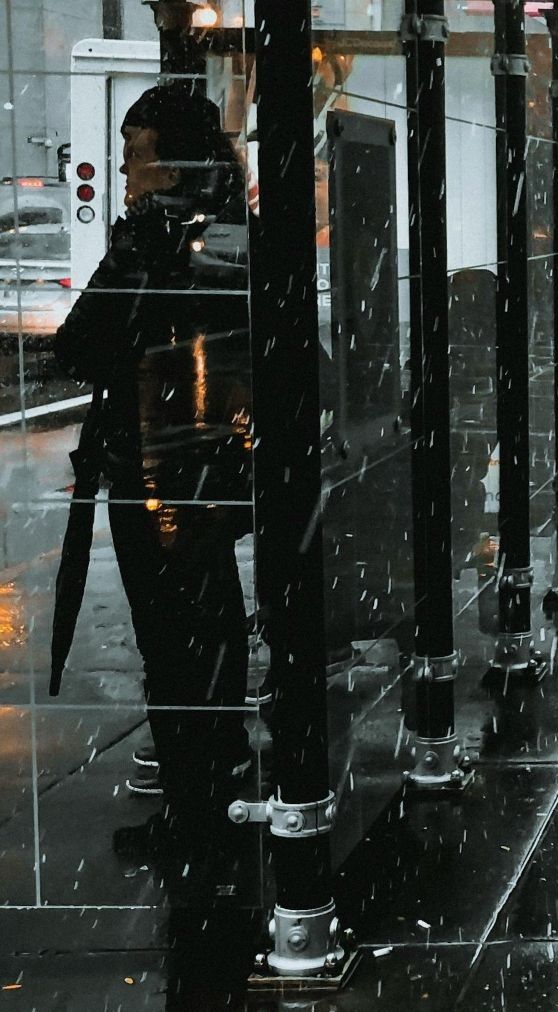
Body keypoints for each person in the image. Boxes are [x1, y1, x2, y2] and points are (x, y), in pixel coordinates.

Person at [53, 85, 254, 833]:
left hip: (155, 463)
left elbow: (82, 343)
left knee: (168, 637)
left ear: (169, 166)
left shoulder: (154, 239)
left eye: (133, 152)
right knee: (211, 616)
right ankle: (220, 770)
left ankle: (192, 802)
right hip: (209, 461)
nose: (124, 169)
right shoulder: (229, 231)